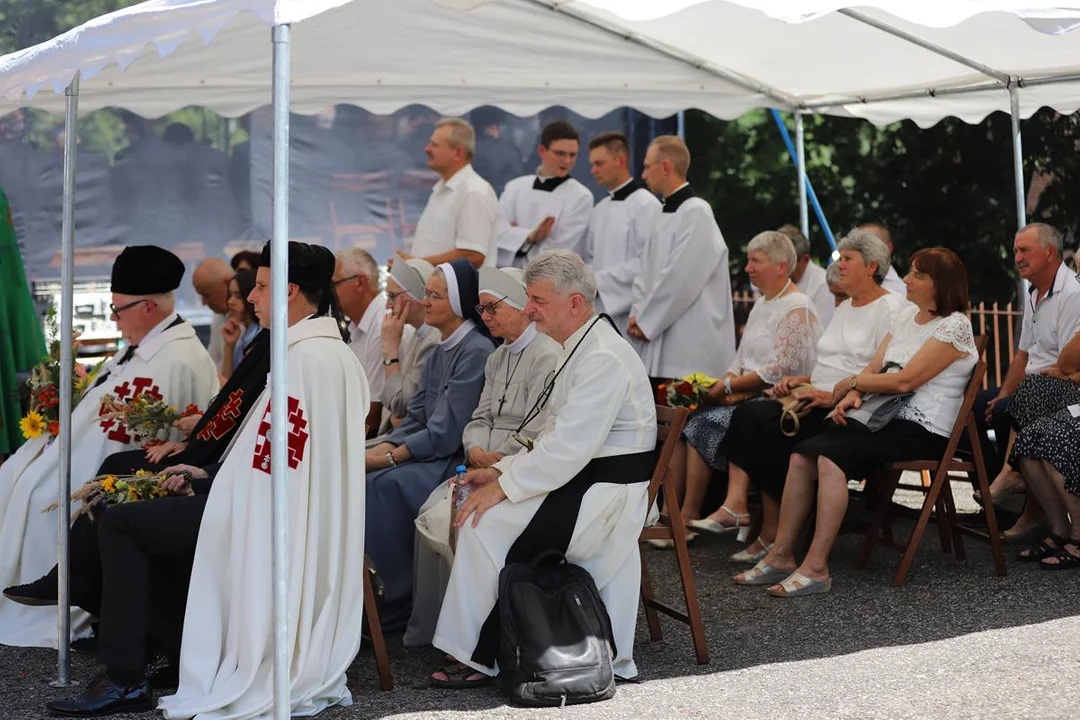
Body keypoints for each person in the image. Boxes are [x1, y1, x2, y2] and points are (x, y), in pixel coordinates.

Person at [46, 241, 369, 720]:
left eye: (261, 288)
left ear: (292, 291)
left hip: (266, 516)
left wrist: (211, 484)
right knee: (131, 517)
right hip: (265, 503)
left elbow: (278, 464)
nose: (252, 298)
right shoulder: (320, 352)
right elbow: (276, 457)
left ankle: (126, 678)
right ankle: (168, 654)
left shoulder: (307, 359)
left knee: (121, 525)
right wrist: (205, 474)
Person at [430, 250, 656, 688]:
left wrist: (504, 486)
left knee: (482, 520)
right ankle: (488, 643)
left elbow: (569, 449)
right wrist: (504, 472)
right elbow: (557, 440)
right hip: (585, 478)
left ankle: (477, 655)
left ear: (575, 303)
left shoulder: (601, 356)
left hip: (604, 492)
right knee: (481, 511)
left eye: (537, 300)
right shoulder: (580, 345)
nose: (529, 309)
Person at [0, 246, 219, 649]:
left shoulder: (179, 358)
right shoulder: (140, 345)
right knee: (13, 476)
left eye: (118, 311)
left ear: (148, 307)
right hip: (92, 459)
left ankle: (67, 598)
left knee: (39, 493)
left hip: (145, 477)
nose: (114, 320)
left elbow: (152, 437)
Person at [3, 326, 270, 638]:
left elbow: (252, 422)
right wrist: (195, 436)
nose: (252, 298)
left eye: (259, 288)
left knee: (120, 515)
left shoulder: (273, 347)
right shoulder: (265, 338)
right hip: (211, 453)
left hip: (227, 471)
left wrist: (201, 462)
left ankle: (108, 620)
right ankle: (79, 586)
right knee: (114, 467)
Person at [746, 247, 977, 596]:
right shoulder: (906, 317)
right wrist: (854, 397)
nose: (907, 279)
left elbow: (905, 381)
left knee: (830, 458)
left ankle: (816, 567)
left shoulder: (955, 325)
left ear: (939, 284)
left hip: (922, 428)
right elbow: (876, 368)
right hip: (884, 417)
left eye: (917, 274)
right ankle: (781, 555)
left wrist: (852, 385)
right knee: (802, 452)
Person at [718, 230, 907, 567]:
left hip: (848, 406)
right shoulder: (847, 306)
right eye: (840, 257)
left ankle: (772, 535)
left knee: (763, 426)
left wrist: (832, 394)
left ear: (872, 266)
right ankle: (766, 531)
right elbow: (830, 362)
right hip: (814, 396)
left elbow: (883, 370)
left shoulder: (891, 308)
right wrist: (800, 381)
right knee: (752, 418)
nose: (839, 264)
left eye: (848, 258)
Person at [405, 265, 560, 646]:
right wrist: (474, 448)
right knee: (432, 508)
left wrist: (498, 459)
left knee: (458, 517)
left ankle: (476, 635)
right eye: (483, 310)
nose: (485, 317)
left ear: (523, 306)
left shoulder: (548, 355)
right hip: (484, 462)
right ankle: (435, 627)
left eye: (493, 309)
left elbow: (538, 429)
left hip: (517, 469)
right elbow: (480, 417)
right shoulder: (497, 356)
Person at [364, 259, 495, 629]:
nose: (426, 302)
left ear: (457, 301)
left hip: (447, 460)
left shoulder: (476, 350)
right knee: (366, 473)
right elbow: (418, 416)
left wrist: (386, 458)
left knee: (381, 485)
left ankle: (393, 600)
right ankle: (369, 595)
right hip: (425, 451)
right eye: (426, 293)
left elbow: (445, 433)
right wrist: (379, 447)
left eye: (435, 295)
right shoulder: (442, 348)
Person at [675, 232, 820, 545]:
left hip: (781, 402)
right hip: (747, 395)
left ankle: (691, 516)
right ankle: (673, 514)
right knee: (684, 414)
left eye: (756, 261)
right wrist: (723, 383)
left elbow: (777, 369)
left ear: (782, 266)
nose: (748, 268)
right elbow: (740, 359)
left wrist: (725, 387)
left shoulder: (798, 306)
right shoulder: (763, 303)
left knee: (706, 422)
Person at [976, 225, 1080, 538]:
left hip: (1060, 390)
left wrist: (1012, 397)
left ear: (1050, 252)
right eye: (1016, 250)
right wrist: (1003, 393)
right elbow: (1023, 355)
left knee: (1019, 401)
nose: (1017, 258)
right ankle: (998, 505)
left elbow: (1064, 366)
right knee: (979, 406)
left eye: (1025, 251)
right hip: (1038, 386)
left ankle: (1012, 480)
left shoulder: (1072, 293)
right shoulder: (1033, 291)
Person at [628, 135, 736, 381]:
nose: (643, 175)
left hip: (687, 344)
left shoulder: (697, 211)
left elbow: (681, 279)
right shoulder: (661, 214)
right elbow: (643, 272)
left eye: (647, 167)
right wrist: (638, 314)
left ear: (665, 166)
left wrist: (645, 320)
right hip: (658, 335)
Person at [584, 131, 662, 335]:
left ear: (621, 160)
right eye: (592, 164)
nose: (593, 170)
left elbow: (648, 262)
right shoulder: (599, 208)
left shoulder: (646, 204)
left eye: (599, 163)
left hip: (630, 311)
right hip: (598, 309)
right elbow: (591, 257)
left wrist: (598, 281)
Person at [398, 118, 500, 268]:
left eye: (435, 145)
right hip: (436, 289)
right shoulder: (441, 189)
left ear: (458, 152)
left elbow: (473, 255)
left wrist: (416, 264)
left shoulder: (474, 191)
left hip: (459, 291)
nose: (427, 149)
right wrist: (409, 266)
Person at [334, 247, 413, 435]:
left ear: (360, 282)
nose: (329, 293)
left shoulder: (381, 326)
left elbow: (372, 414)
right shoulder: (359, 326)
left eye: (334, 284)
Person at [496, 120, 594, 268]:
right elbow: (497, 234)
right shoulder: (514, 187)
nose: (567, 161)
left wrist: (516, 236)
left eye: (573, 155)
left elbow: (560, 251)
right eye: (560, 153)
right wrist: (531, 236)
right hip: (507, 277)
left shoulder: (581, 197)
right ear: (542, 151)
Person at [376, 258, 440, 435]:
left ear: (419, 296)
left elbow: (399, 406)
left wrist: (390, 350)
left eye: (393, 296)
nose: (388, 305)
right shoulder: (418, 334)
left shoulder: (434, 340)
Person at [778, 224, 835, 327]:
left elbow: (821, 334)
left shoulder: (823, 285)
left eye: (788, 264)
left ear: (805, 259)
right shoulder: (776, 281)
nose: (781, 270)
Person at [191, 257, 234, 369]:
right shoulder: (218, 320)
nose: (204, 303)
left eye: (207, 295)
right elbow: (212, 364)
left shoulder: (257, 322)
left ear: (227, 284)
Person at [219, 268, 259, 380]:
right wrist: (229, 345)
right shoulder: (244, 335)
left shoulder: (258, 337)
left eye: (238, 296)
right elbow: (228, 383)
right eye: (230, 295)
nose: (230, 302)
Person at [858, 222, 907, 296]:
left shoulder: (904, 291)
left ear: (888, 249)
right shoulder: (839, 285)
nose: (861, 250)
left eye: (869, 244)